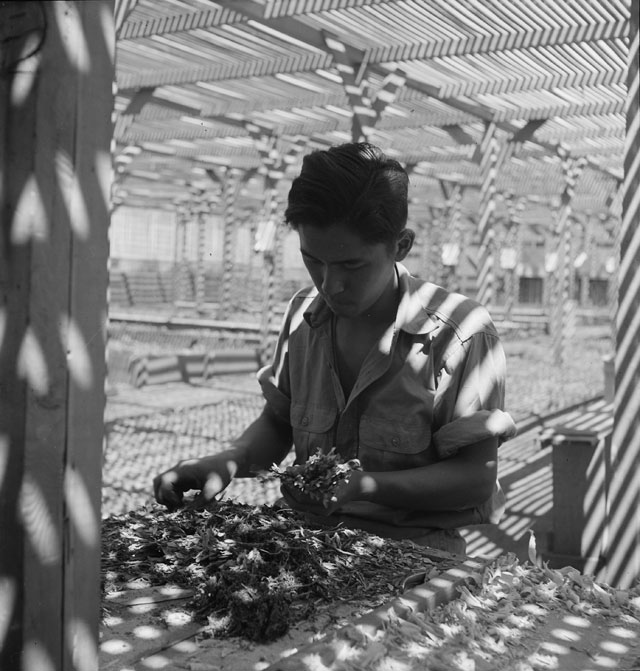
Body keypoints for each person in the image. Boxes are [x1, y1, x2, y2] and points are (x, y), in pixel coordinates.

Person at [153, 142, 516, 555]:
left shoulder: (459, 334)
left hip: (413, 552)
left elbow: (475, 479)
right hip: (302, 542)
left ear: (401, 246)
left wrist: (366, 486)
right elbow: (278, 423)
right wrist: (228, 461)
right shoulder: (304, 315)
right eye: (313, 261)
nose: (329, 285)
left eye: (351, 266)